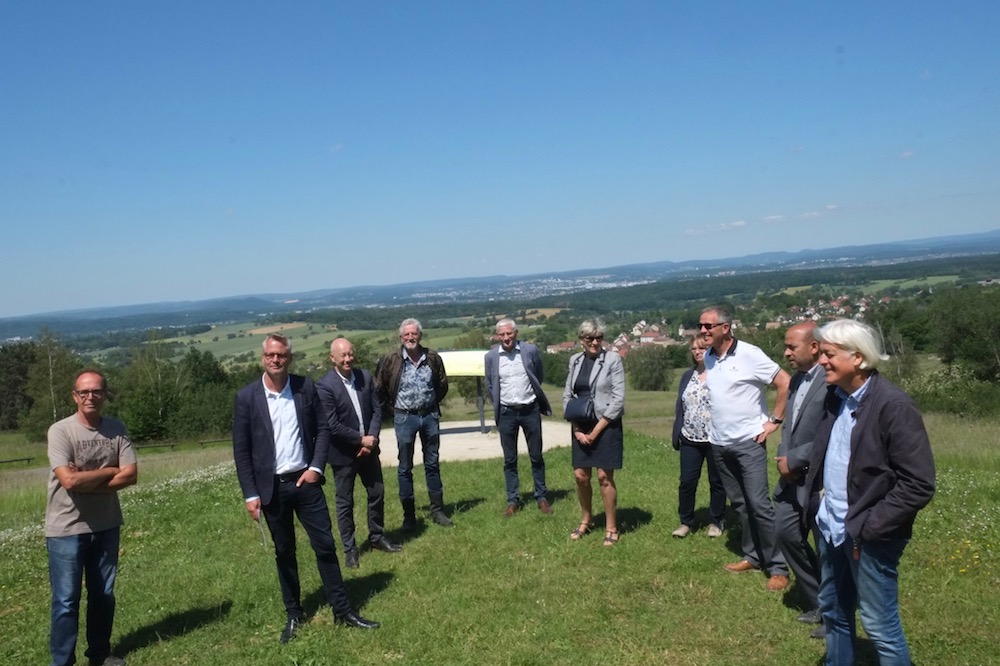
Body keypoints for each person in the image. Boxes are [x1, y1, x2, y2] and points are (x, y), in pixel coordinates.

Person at [233, 334, 379, 643]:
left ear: (290, 357)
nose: (276, 360)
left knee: (325, 545)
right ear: (263, 358)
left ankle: (342, 610)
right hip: (271, 487)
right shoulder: (247, 397)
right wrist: (250, 494)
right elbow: (242, 450)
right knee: (285, 552)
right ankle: (294, 613)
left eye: (282, 355)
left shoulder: (304, 387)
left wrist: (315, 468)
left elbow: (323, 429)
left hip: (306, 482)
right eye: (271, 355)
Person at [805, 319, 935, 665]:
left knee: (880, 626)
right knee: (834, 611)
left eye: (830, 355)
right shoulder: (837, 398)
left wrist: (869, 526)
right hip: (832, 527)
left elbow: (918, 483)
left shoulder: (893, 406)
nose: (821, 361)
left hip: (868, 536)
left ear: (858, 358)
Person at [46, 369, 137, 666]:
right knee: (65, 602)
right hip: (65, 528)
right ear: (74, 396)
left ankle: (98, 656)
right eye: (84, 392)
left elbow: (131, 475)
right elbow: (68, 482)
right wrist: (111, 470)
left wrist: (85, 479)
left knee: (103, 596)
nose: (90, 397)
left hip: (106, 525)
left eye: (96, 391)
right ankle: (63, 663)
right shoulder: (60, 431)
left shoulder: (116, 428)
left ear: (105, 395)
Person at [700, 305, 791, 591]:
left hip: (749, 442)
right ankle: (752, 556)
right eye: (700, 326)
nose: (702, 331)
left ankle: (778, 567)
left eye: (708, 326)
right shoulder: (708, 357)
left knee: (760, 505)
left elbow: (784, 382)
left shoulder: (750, 354)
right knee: (739, 505)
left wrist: (774, 420)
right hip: (719, 443)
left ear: (725, 328)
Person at [316, 338, 402, 569]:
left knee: (377, 493)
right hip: (343, 455)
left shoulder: (364, 376)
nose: (347, 359)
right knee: (345, 502)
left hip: (369, 450)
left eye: (350, 354)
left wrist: (371, 439)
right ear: (332, 358)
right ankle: (350, 549)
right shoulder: (324, 386)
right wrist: (359, 439)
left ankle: (377, 538)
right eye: (342, 355)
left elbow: (377, 409)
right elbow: (332, 424)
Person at [773, 321, 826, 635]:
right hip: (790, 477)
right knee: (786, 534)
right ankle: (820, 598)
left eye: (792, 347)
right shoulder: (794, 380)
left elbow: (828, 433)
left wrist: (795, 459)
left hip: (818, 479)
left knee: (826, 547)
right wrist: (784, 456)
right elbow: (789, 426)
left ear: (815, 347)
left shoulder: (831, 381)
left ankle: (834, 614)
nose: (786, 352)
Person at [375, 318, 452, 529]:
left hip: (429, 416)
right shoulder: (390, 360)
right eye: (406, 335)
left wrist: (432, 405)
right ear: (401, 337)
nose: (411, 338)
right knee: (405, 467)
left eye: (414, 334)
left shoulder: (433, 358)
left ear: (420, 335)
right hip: (404, 417)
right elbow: (379, 389)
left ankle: (437, 511)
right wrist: (391, 411)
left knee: (432, 464)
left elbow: (442, 385)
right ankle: (409, 517)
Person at [563, 319, 626, 546]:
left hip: (606, 425)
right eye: (590, 338)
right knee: (580, 476)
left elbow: (618, 399)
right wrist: (578, 429)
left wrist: (596, 430)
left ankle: (611, 526)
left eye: (599, 338)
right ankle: (586, 519)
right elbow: (567, 397)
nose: (595, 342)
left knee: (604, 478)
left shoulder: (612, 359)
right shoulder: (575, 361)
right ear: (582, 340)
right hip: (580, 425)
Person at [484, 318, 553, 516]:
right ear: (497, 336)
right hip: (506, 412)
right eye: (502, 335)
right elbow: (490, 384)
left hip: (529, 409)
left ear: (516, 333)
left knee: (536, 455)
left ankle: (541, 497)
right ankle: (513, 500)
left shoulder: (529, 351)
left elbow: (538, 375)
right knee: (509, 459)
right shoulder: (491, 357)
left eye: (509, 333)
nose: (506, 338)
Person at [670, 336, 726, 539]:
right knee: (687, 481)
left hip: (715, 438)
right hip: (690, 438)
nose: (697, 351)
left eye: (701, 347)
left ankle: (716, 520)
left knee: (717, 482)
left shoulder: (719, 374)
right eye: (693, 348)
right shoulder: (687, 375)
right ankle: (686, 522)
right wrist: (677, 432)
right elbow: (681, 406)